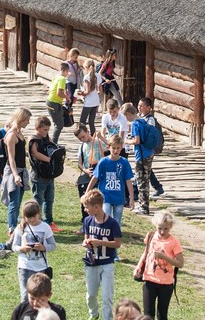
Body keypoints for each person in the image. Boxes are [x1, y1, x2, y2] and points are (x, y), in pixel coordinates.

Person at [134, 210, 184, 320]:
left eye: (165, 228)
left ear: (171, 226)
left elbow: (180, 263)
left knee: (162, 314)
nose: (162, 231)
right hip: (149, 279)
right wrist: (138, 265)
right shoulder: (152, 236)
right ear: (155, 225)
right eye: (159, 228)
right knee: (148, 315)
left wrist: (164, 257)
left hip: (166, 283)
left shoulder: (174, 242)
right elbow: (146, 252)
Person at [81, 189, 122, 320]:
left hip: (107, 263)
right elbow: (86, 238)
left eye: (87, 207)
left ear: (97, 207)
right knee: (91, 295)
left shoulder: (112, 223)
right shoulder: (87, 221)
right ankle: (94, 314)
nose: (85, 210)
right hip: (92, 263)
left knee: (107, 297)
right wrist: (86, 243)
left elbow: (117, 243)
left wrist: (100, 243)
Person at [11, 200, 56, 303]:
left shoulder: (45, 227)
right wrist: (22, 249)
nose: (31, 220)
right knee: (25, 297)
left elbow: (53, 245)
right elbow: (14, 246)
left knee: (41, 296)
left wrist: (43, 248)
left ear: (39, 214)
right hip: (25, 267)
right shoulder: (21, 227)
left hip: (41, 267)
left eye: (33, 216)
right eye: (28, 217)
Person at [88, 134, 134, 226]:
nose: (116, 150)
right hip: (106, 196)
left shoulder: (124, 162)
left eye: (118, 148)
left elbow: (128, 181)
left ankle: (115, 238)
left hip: (119, 196)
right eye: (113, 148)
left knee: (117, 221)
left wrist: (131, 198)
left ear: (121, 148)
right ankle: (106, 237)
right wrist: (87, 191)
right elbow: (95, 177)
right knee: (106, 217)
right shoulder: (103, 162)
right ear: (108, 147)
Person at [29, 115, 61, 232]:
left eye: (48, 130)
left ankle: (49, 221)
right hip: (38, 176)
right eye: (45, 129)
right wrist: (49, 159)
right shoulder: (33, 140)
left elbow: (53, 146)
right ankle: (38, 221)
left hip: (49, 174)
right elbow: (35, 153)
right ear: (37, 128)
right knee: (38, 199)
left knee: (50, 198)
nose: (46, 132)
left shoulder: (46, 137)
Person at [2, 108, 31, 234]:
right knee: (14, 202)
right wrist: (15, 175)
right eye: (27, 120)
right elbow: (11, 158)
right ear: (21, 119)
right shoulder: (11, 135)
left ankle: (16, 226)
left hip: (22, 169)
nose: (28, 123)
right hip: (14, 171)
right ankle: (12, 228)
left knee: (18, 201)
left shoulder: (19, 132)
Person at [126, 100, 157, 216]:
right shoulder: (145, 121)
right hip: (148, 153)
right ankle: (144, 204)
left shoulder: (136, 123)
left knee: (141, 180)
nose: (139, 107)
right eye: (138, 105)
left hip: (142, 154)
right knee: (144, 180)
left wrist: (126, 141)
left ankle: (144, 207)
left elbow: (137, 140)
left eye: (142, 105)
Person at [75, 124, 106, 231]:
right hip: (88, 175)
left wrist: (101, 137)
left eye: (83, 136)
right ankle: (86, 225)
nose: (82, 139)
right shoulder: (82, 146)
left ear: (87, 131)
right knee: (86, 201)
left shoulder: (97, 142)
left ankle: (99, 224)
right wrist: (85, 170)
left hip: (99, 176)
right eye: (80, 138)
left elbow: (111, 146)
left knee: (97, 201)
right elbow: (79, 163)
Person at [46, 63, 70, 144]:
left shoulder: (56, 77)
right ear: (66, 71)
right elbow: (59, 93)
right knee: (59, 125)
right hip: (54, 103)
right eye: (67, 72)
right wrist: (67, 97)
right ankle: (54, 143)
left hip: (51, 101)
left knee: (58, 123)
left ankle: (52, 141)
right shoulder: (62, 79)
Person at [77, 60, 102, 136]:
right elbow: (100, 91)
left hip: (88, 102)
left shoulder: (87, 77)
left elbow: (87, 92)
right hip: (96, 101)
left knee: (82, 120)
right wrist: (95, 94)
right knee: (91, 121)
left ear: (87, 68)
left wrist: (81, 93)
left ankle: (83, 134)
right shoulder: (98, 75)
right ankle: (93, 136)